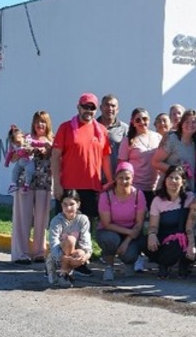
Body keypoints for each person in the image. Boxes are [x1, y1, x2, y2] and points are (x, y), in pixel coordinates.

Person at [52, 92, 113, 276]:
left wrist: (110, 180)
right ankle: (59, 264)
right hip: (69, 187)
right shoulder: (65, 128)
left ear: (96, 110)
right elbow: (55, 156)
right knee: (64, 230)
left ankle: (80, 263)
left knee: (84, 231)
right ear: (78, 107)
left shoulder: (101, 130)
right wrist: (57, 184)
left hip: (91, 187)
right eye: (85, 106)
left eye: (92, 108)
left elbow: (105, 158)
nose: (88, 110)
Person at [10, 111, 53, 264]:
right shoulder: (25, 138)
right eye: (37, 121)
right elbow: (14, 156)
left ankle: (39, 252)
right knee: (23, 218)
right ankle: (21, 253)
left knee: (42, 219)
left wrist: (48, 150)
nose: (40, 125)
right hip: (25, 183)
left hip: (44, 183)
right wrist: (22, 152)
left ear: (48, 124)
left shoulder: (51, 140)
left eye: (43, 121)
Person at [95, 162, 147, 281]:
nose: (124, 181)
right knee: (110, 240)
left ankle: (129, 262)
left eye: (127, 178)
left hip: (132, 232)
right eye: (121, 178)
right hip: (109, 230)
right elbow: (106, 224)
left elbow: (139, 222)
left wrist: (127, 241)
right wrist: (128, 231)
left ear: (132, 179)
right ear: (115, 178)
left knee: (129, 254)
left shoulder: (139, 195)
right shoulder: (106, 196)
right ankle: (109, 266)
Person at [145, 165, 194, 278]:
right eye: (170, 177)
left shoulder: (190, 198)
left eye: (177, 178)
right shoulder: (157, 200)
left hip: (185, 238)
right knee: (143, 242)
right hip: (164, 238)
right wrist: (152, 235)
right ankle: (163, 264)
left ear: (183, 182)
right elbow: (153, 225)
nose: (173, 181)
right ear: (165, 180)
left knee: (180, 244)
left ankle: (184, 264)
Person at [46, 190, 92, 288]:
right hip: (58, 253)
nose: (68, 208)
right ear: (61, 205)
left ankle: (64, 272)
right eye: (65, 204)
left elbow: (86, 241)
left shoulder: (83, 220)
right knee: (70, 240)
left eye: (72, 204)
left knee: (80, 253)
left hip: (73, 254)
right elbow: (53, 243)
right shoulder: (56, 221)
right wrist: (62, 258)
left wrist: (86, 255)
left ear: (78, 205)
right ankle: (63, 273)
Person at [118, 107, 161, 206]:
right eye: (138, 120)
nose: (142, 122)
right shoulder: (128, 140)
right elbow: (122, 164)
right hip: (136, 187)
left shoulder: (158, 137)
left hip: (155, 187)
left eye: (145, 119)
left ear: (149, 120)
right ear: (133, 122)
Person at [151, 109, 196, 191]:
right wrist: (175, 169)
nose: (190, 125)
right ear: (181, 124)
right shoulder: (171, 139)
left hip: (187, 192)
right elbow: (155, 162)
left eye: (194, 122)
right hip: (168, 192)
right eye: (187, 122)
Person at [97, 94, 129, 174]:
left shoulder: (124, 129)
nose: (110, 108)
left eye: (113, 106)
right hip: (94, 178)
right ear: (101, 108)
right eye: (106, 105)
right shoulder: (92, 126)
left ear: (117, 109)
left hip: (117, 179)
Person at [4, 125, 42, 193]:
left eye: (18, 142)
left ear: (22, 137)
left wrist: (45, 144)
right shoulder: (13, 145)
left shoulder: (28, 141)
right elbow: (10, 155)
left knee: (29, 171)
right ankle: (13, 184)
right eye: (15, 143)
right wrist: (7, 163)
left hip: (28, 161)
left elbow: (37, 143)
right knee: (14, 171)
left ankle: (27, 185)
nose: (17, 144)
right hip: (20, 162)